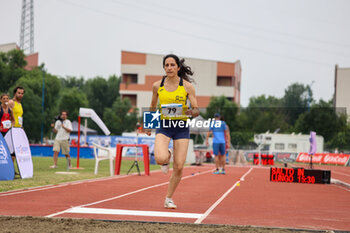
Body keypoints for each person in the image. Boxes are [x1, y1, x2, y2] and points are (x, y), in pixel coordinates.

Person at [146, 54, 199, 209]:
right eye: (166, 65)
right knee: (159, 158)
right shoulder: (157, 85)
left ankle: (168, 198)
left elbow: (196, 110)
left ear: (178, 67)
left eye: (172, 65)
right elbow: (152, 106)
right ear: (164, 68)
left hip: (181, 128)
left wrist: (188, 112)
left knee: (179, 167)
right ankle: (167, 155)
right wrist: (148, 125)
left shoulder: (187, 86)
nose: (169, 68)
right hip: (164, 126)